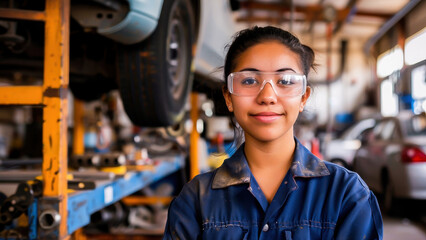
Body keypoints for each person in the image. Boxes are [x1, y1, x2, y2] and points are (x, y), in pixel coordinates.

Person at [163, 26, 383, 239]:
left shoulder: (346, 195)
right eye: (249, 80)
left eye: (285, 81)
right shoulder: (195, 202)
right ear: (228, 97)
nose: (267, 96)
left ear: (303, 98)